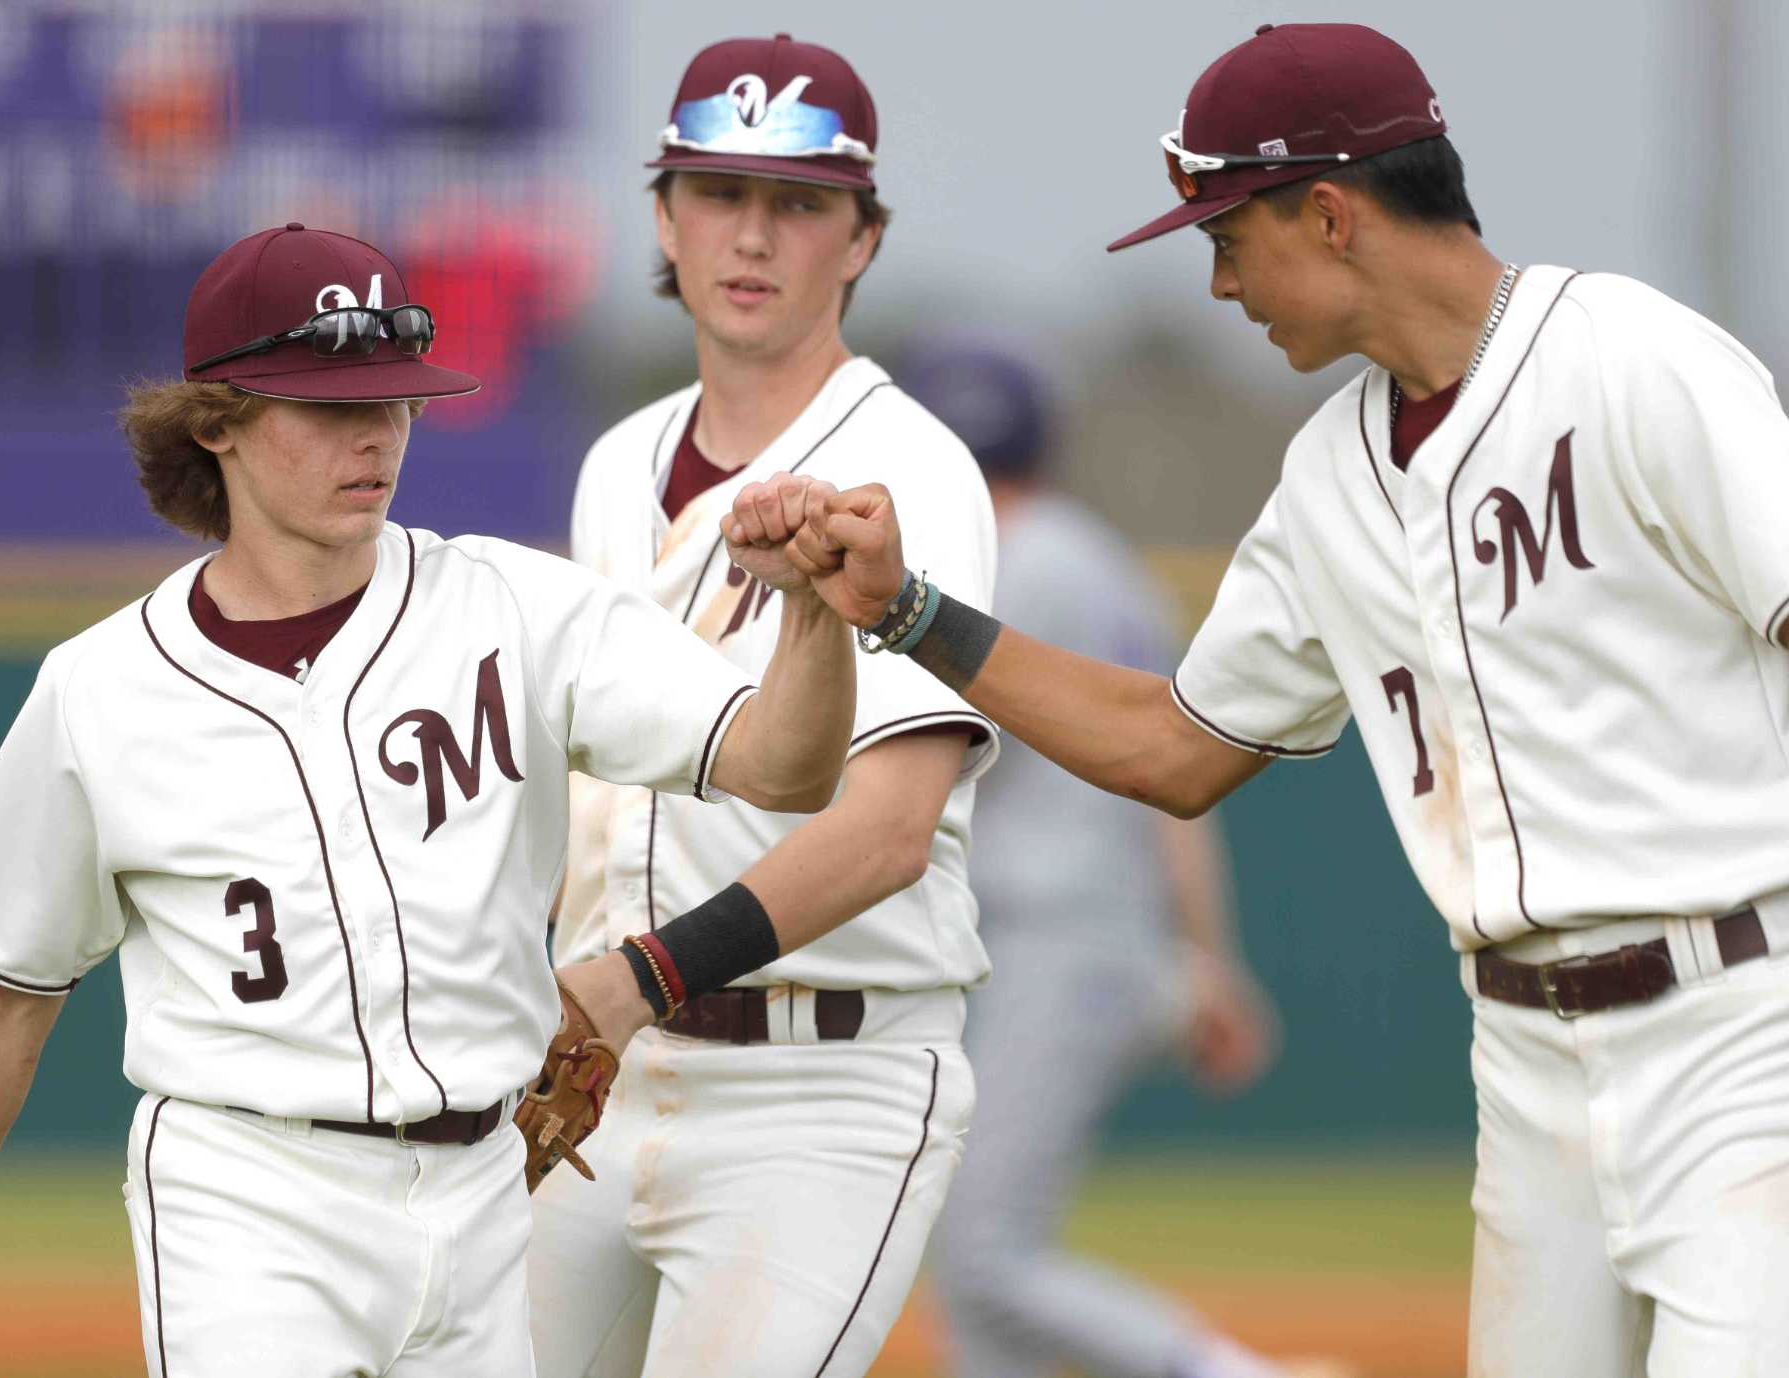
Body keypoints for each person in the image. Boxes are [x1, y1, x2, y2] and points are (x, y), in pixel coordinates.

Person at [735, 23, 1789, 1378]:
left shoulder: (1628, 359)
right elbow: (1169, 746)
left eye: (1229, 237)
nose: (1224, 283)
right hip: (1528, 1064)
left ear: (1333, 213)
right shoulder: (1333, 476)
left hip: (1740, 1023)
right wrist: (906, 611)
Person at [0, 222, 862, 1378]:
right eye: (327, 406)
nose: (376, 432)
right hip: (247, 1194)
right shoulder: (100, 688)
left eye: (395, 399)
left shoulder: (510, 605)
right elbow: (9, 987)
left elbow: (785, 766)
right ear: (213, 421)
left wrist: (813, 613)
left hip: (484, 1188)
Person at [526, 34, 997, 1378]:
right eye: (720, 193)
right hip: (600, 1064)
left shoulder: (910, 466)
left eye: (798, 203)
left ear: (861, 240)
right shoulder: (621, 461)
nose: (753, 234)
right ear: (664, 219)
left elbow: (891, 828)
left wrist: (644, 973)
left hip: (820, 1085)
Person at [899, 344, 1303, 1378]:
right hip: (1090, 932)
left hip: (1051, 939)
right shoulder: (1096, 557)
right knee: (975, 1268)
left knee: (984, 1255)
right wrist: (1205, 955)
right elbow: (1172, 794)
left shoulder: (1001, 562)